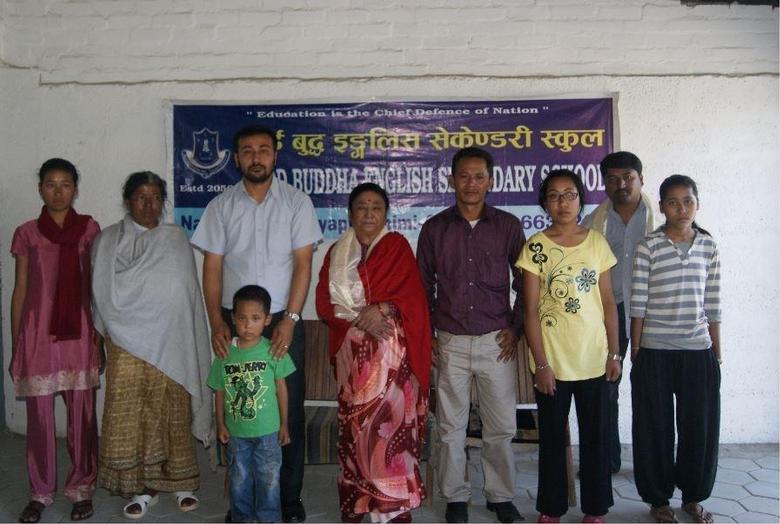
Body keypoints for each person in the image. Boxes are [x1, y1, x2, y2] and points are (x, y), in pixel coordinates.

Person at [191, 123, 322, 523]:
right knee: (239, 410)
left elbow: (303, 264)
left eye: (264, 149)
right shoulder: (221, 206)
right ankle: (242, 502)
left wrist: (291, 320)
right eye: (247, 150)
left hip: (283, 320)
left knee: (287, 411)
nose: (256, 157)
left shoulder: (296, 203)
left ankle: (288, 500)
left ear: (275, 155)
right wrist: (217, 322)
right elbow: (212, 269)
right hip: (235, 325)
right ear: (236, 158)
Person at [91, 171, 213, 519]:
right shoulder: (107, 241)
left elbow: (185, 295)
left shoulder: (175, 239)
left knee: (172, 410)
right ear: (127, 201)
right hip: (124, 343)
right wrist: (102, 338)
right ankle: (142, 488)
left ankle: (180, 481)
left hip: (172, 342)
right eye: (141, 197)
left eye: (156, 197)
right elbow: (99, 295)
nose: (149, 205)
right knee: (132, 412)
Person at [417, 147, 525, 524]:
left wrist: (515, 327)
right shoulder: (434, 229)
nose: (471, 183)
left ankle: (500, 496)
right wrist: (429, 335)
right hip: (451, 340)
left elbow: (526, 281)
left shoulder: (508, 226)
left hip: (497, 341)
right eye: (464, 176)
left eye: (479, 176)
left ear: (490, 181)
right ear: (452, 180)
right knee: (450, 428)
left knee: (501, 426)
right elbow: (421, 286)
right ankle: (455, 497)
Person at [316, 183, 432, 523]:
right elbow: (324, 303)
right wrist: (359, 317)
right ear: (350, 214)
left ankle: (392, 508)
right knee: (356, 431)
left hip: (393, 361)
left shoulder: (397, 246)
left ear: (386, 214)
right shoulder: (336, 253)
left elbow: (413, 296)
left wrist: (383, 307)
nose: (369, 213)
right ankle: (358, 502)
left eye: (376, 207)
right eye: (362, 207)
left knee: (391, 431)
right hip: (353, 359)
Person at [516, 168, 621, 523]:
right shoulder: (535, 247)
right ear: (545, 203)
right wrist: (542, 364)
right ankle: (551, 508)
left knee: (596, 438)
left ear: (580, 199)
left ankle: (595, 509)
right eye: (554, 195)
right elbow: (530, 310)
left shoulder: (597, 243)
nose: (563, 202)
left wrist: (614, 353)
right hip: (553, 364)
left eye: (570, 194)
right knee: (551, 440)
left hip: (594, 360)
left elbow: (609, 303)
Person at [10, 158, 101, 523]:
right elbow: (21, 289)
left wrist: (100, 336)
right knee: (40, 420)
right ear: (40, 189)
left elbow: (97, 286)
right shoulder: (27, 233)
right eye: (51, 184)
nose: (58, 191)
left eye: (65, 184)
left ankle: (81, 488)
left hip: (79, 333)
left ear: (75, 189)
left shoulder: (88, 229)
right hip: (38, 336)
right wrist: (17, 343)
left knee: (82, 417)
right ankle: (40, 492)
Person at [630, 175, 721, 524]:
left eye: (688, 201)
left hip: (698, 351)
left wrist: (717, 354)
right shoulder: (648, 246)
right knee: (654, 428)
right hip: (654, 351)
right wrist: (636, 352)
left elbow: (713, 304)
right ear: (662, 206)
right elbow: (638, 303)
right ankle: (658, 500)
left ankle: (693, 498)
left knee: (699, 427)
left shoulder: (708, 247)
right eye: (673, 202)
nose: (681, 209)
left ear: (697, 204)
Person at [582, 151, 657, 474]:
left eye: (628, 177)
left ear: (641, 179)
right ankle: (605, 461)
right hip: (608, 314)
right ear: (604, 184)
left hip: (651, 314)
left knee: (650, 391)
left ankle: (650, 466)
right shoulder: (592, 223)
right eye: (612, 179)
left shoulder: (661, 220)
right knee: (604, 390)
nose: (621, 184)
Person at [208, 285, 296, 523]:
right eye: (242, 318)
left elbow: (282, 389)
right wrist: (220, 424)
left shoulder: (273, 351)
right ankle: (242, 518)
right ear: (233, 318)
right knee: (239, 479)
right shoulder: (224, 354)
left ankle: (269, 519)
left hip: (268, 432)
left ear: (267, 319)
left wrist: (284, 424)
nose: (248, 325)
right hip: (237, 433)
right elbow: (219, 391)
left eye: (255, 318)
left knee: (269, 479)